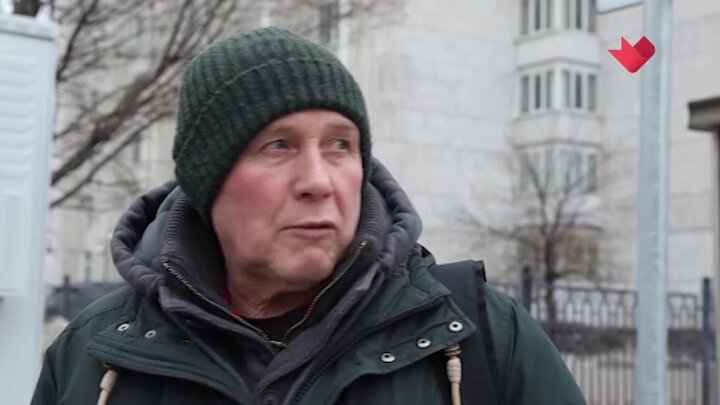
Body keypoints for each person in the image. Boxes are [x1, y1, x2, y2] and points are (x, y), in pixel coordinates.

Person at [32, 27, 585, 405]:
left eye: (341, 145)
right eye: (278, 145)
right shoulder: (94, 356)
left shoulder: (478, 335)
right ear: (207, 181)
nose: (319, 181)